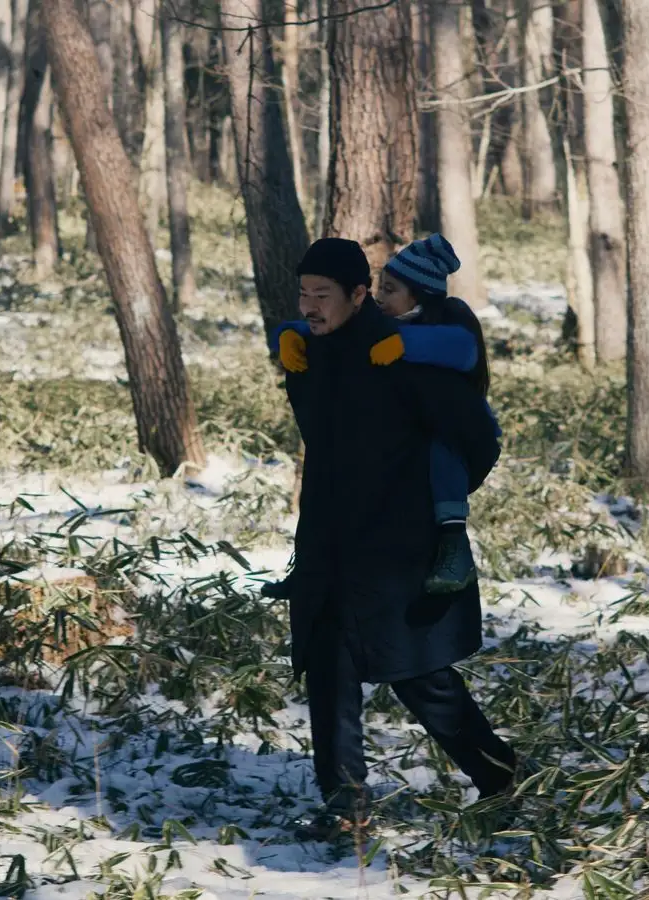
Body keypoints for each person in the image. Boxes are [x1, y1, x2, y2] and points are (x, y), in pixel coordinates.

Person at [270, 237, 516, 838]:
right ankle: (346, 808)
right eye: (303, 294)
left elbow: (478, 437)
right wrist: (290, 342)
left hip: (397, 553)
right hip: (329, 543)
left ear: (359, 295)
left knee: (419, 676)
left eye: (322, 296)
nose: (310, 306)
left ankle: (502, 776)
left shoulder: (401, 355)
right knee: (329, 675)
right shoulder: (310, 352)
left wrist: (433, 508)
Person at [268, 234, 494, 594]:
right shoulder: (372, 329)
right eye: (380, 288)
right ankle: (310, 565)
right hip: (348, 521)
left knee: (443, 459)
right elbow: (320, 331)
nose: (380, 297)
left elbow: (463, 350)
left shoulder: (440, 329)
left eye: (390, 290)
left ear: (419, 296)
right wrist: (284, 335)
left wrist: (407, 344)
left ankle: (454, 542)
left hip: (440, 450)